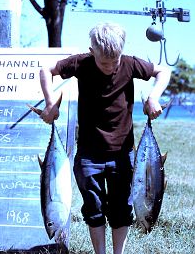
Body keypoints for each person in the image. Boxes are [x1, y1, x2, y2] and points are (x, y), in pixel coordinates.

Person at [38, 22, 171, 254]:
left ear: (121, 53)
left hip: (123, 153)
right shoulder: (82, 63)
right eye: (103, 62)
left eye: (114, 61)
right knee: (94, 208)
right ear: (92, 52)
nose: (110, 66)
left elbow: (163, 71)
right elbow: (45, 70)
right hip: (89, 155)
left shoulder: (130, 64)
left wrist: (153, 98)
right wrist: (50, 103)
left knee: (121, 209)